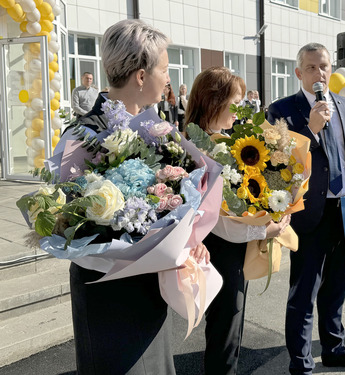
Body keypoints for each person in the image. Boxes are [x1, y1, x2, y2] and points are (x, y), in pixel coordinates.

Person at [65, 19, 210, 375]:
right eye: (164, 69)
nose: (168, 79)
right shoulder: (80, 136)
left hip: (151, 285)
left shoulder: (156, 129)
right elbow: (66, 222)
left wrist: (189, 241)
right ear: (141, 77)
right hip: (108, 291)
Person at [267, 43, 345, 374]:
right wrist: (309, 130)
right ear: (299, 72)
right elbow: (275, 162)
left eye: (325, 66)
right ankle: (300, 364)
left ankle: (333, 348)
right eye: (312, 68)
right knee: (304, 293)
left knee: (336, 289)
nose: (320, 73)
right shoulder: (280, 110)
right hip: (308, 212)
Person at [185, 66, 291, 375]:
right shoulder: (201, 148)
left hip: (229, 247)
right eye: (235, 101)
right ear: (213, 102)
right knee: (224, 329)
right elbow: (218, 221)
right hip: (217, 249)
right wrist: (265, 227)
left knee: (228, 329)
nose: (240, 109)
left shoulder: (219, 142)